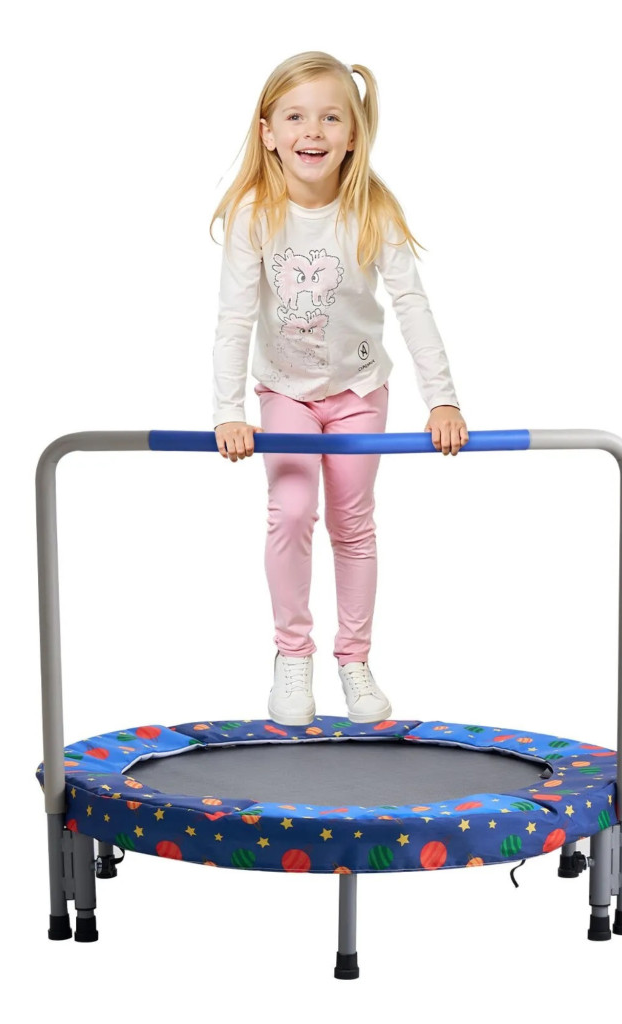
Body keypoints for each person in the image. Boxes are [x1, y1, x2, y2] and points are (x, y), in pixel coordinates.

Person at [210, 51, 467, 727]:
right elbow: (235, 317)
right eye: (295, 117)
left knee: (353, 523)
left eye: (330, 118)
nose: (312, 131)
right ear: (268, 132)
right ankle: (293, 656)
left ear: (353, 134)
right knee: (292, 511)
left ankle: (354, 660)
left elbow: (411, 304)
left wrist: (442, 399)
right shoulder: (254, 213)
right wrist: (228, 411)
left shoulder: (372, 210)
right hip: (286, 393)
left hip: (358, 390)